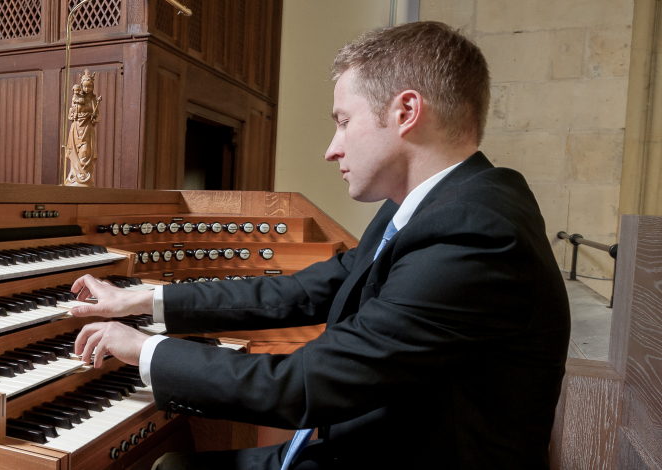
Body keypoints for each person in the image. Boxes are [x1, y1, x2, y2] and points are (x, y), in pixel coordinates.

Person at [69, 21, 570, 469]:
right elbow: (307, 291)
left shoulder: (476, 234)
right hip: (370, 439)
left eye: (344, 120)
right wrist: (143, 299)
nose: (332, 148)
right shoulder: (426, 208)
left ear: (407, 111)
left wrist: (144, 349)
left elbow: (303, 385)